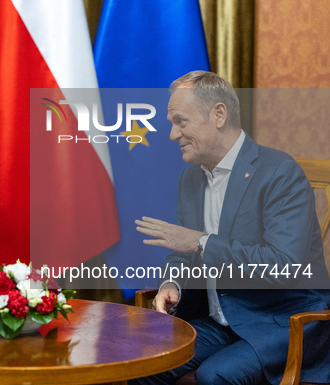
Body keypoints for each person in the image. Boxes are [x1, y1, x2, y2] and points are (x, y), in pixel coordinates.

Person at [131, 71, 330, 385]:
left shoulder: (279, 172)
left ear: (218, 115)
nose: (172, 134)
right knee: (145, 363)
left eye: (181, 121)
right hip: (220, 320)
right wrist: (173, 284)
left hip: (279, 321)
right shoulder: (191, 179)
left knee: (215, 376)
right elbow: (182, 253)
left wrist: (202, 242)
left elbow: (284, 265)